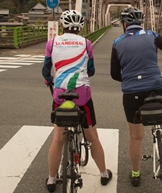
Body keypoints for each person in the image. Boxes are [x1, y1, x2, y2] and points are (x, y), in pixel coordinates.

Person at [110, 7, 162, 187]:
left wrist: (128, 78)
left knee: (136, 136)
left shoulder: (117, 42)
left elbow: (115, 74)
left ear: (124, 24)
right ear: (140, 23)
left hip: (132, 94)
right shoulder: (152, 35)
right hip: (156, 88)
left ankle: (136, 174)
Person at [42, 10, 112, 192]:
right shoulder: (86, 43)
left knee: (57, 138)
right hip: (81, 96)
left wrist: (49, 79)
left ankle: (51, 179)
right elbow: (91, 69)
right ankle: (104, 174)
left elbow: (45, 69)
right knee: (93, 138)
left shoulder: (52, 42)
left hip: (60, 96)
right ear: (80, 28)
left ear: (63, 26)